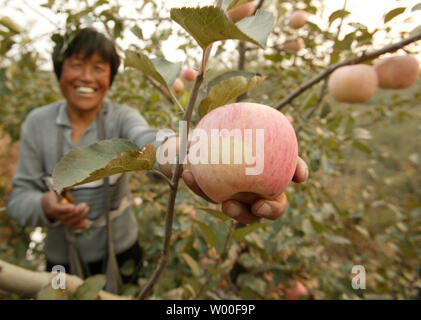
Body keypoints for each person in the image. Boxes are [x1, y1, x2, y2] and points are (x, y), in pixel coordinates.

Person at [6, 27, 308, 294]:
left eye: (98, 67)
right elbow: (19, 200)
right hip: (60, 256)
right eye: (76, 65)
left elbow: (148, 140)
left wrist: (192, 153)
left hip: (122, 249)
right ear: (59, 71)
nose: (87, 77)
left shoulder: (121, 117)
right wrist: (46, 207)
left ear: (110, 76)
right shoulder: (37, 124)